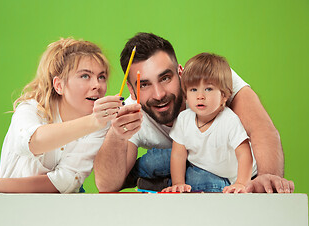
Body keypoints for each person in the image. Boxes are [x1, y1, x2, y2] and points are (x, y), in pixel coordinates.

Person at [94, 32, 294, 194]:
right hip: (181, 167)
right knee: (158, 161)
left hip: (229, 174)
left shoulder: (211, 80)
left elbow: (262, 130)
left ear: (181, 72)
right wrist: (116, 134)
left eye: (165, 78)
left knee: (199, 177)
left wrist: (266, 178)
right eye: (144, 84)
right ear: (131, 90)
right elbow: (106, 185)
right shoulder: (132, 112)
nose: (159, 94)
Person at [0, 38, 123, 216]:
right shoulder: (29, 110)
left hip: (61, 212)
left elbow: (63, 182)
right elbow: (34, 142)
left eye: (102, 77)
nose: (97, 85)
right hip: (12, 209)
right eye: (85, 76)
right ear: (59, 85)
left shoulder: (100, 127)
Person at [162, 53, 256, 193]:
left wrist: (241, 183)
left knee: (198, 181)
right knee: (155, 160)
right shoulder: (184, 118)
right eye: (193, 90)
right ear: (186, 95)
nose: (200, 96)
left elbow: (244, 154)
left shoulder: (229, 120)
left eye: (208, 89)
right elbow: (178, 154)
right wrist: (178, 183)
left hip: (230, 175)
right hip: (200, 163)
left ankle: (160, 182)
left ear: (224, 95)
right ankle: (141, 176)